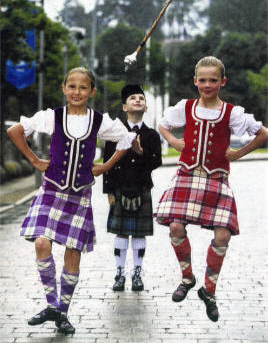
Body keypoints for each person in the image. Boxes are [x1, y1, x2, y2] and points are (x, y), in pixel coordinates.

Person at [6, 67, 137, 335]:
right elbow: (15, 131)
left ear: (92, 92)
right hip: (52, 190)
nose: (77, 92)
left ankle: (62, 312)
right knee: (41, 242)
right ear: (64, 89)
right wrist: (34, 160)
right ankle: (52, 304)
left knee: (72, 252)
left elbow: (126, 139)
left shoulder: (98, 121)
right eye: (72, 86)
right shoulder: (52, 117)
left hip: (79, 194)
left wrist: (106, 166)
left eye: (83, 87)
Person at [154, 56, 268, 322]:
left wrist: (238, 154)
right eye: (202, 80)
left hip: (216, 179)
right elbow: (162, 124)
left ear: (222, 82)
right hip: (187, 174)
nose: (207, 85)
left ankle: (209, 291)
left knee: (223, 236)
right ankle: (187, 277)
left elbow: (263, 134)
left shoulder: (232, 112)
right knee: (175, 227)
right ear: (195, 81)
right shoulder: (186, 107)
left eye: (213, 80)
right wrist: (173, 141)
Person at [103, 84, 162, 292]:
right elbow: (107, 163)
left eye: (141, 98)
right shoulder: (114, 133)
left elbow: (156, 162)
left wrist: (140, 151)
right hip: (119, 188)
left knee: (139, 234)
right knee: (120, 234)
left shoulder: (152, 135)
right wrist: (108, 191)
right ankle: (119, 274)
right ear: (124, 107)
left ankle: (137, 273)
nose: (138, 100)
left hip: (142, 188)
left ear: (145, 107)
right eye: (132, 98)